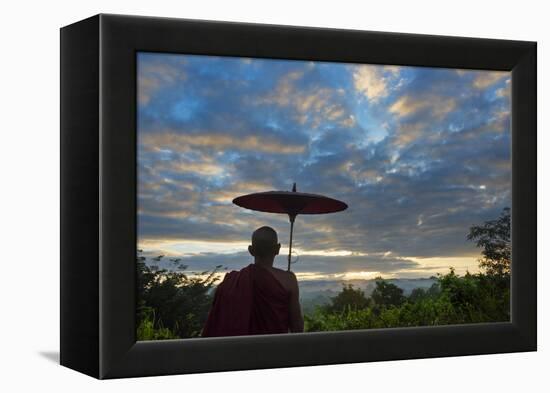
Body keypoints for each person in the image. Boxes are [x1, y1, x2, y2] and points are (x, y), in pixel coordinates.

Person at [202, 226, 304, 337]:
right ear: (278, 248)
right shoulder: (288, 280)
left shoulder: (231, 282)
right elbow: (297, 326)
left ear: (250, 250)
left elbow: (217, 322)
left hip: (239, 350)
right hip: (276, 349)